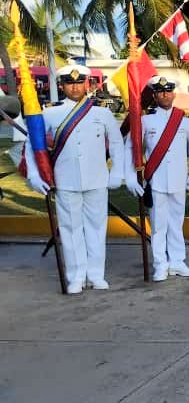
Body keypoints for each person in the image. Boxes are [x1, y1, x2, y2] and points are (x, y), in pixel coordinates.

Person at [25, 64, 125, 294]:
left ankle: (96, 275)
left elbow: (118, 144)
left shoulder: (102, 113)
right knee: (70, 231)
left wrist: (118, 172)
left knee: (96, 229)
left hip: (97, 180)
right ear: (61, 86)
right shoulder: (50, 113)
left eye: (79, 82)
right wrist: (33, 174)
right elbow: (32, 146)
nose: (75, 87)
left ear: (87, 83)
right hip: (65, 181)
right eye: (69, 83)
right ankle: (76, 277)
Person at [124, 75, 189, 282]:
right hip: (155, 181)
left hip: (178, 180)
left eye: (168, 91)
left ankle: (178, 262)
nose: (165, 95)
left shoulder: (186, 120)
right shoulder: (145, 120)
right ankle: (160, 264)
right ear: (155, 95)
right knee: (158, 225)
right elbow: (131, 149)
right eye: (160, 92)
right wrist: (131, 177)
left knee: (176, 223)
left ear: (174, 93)